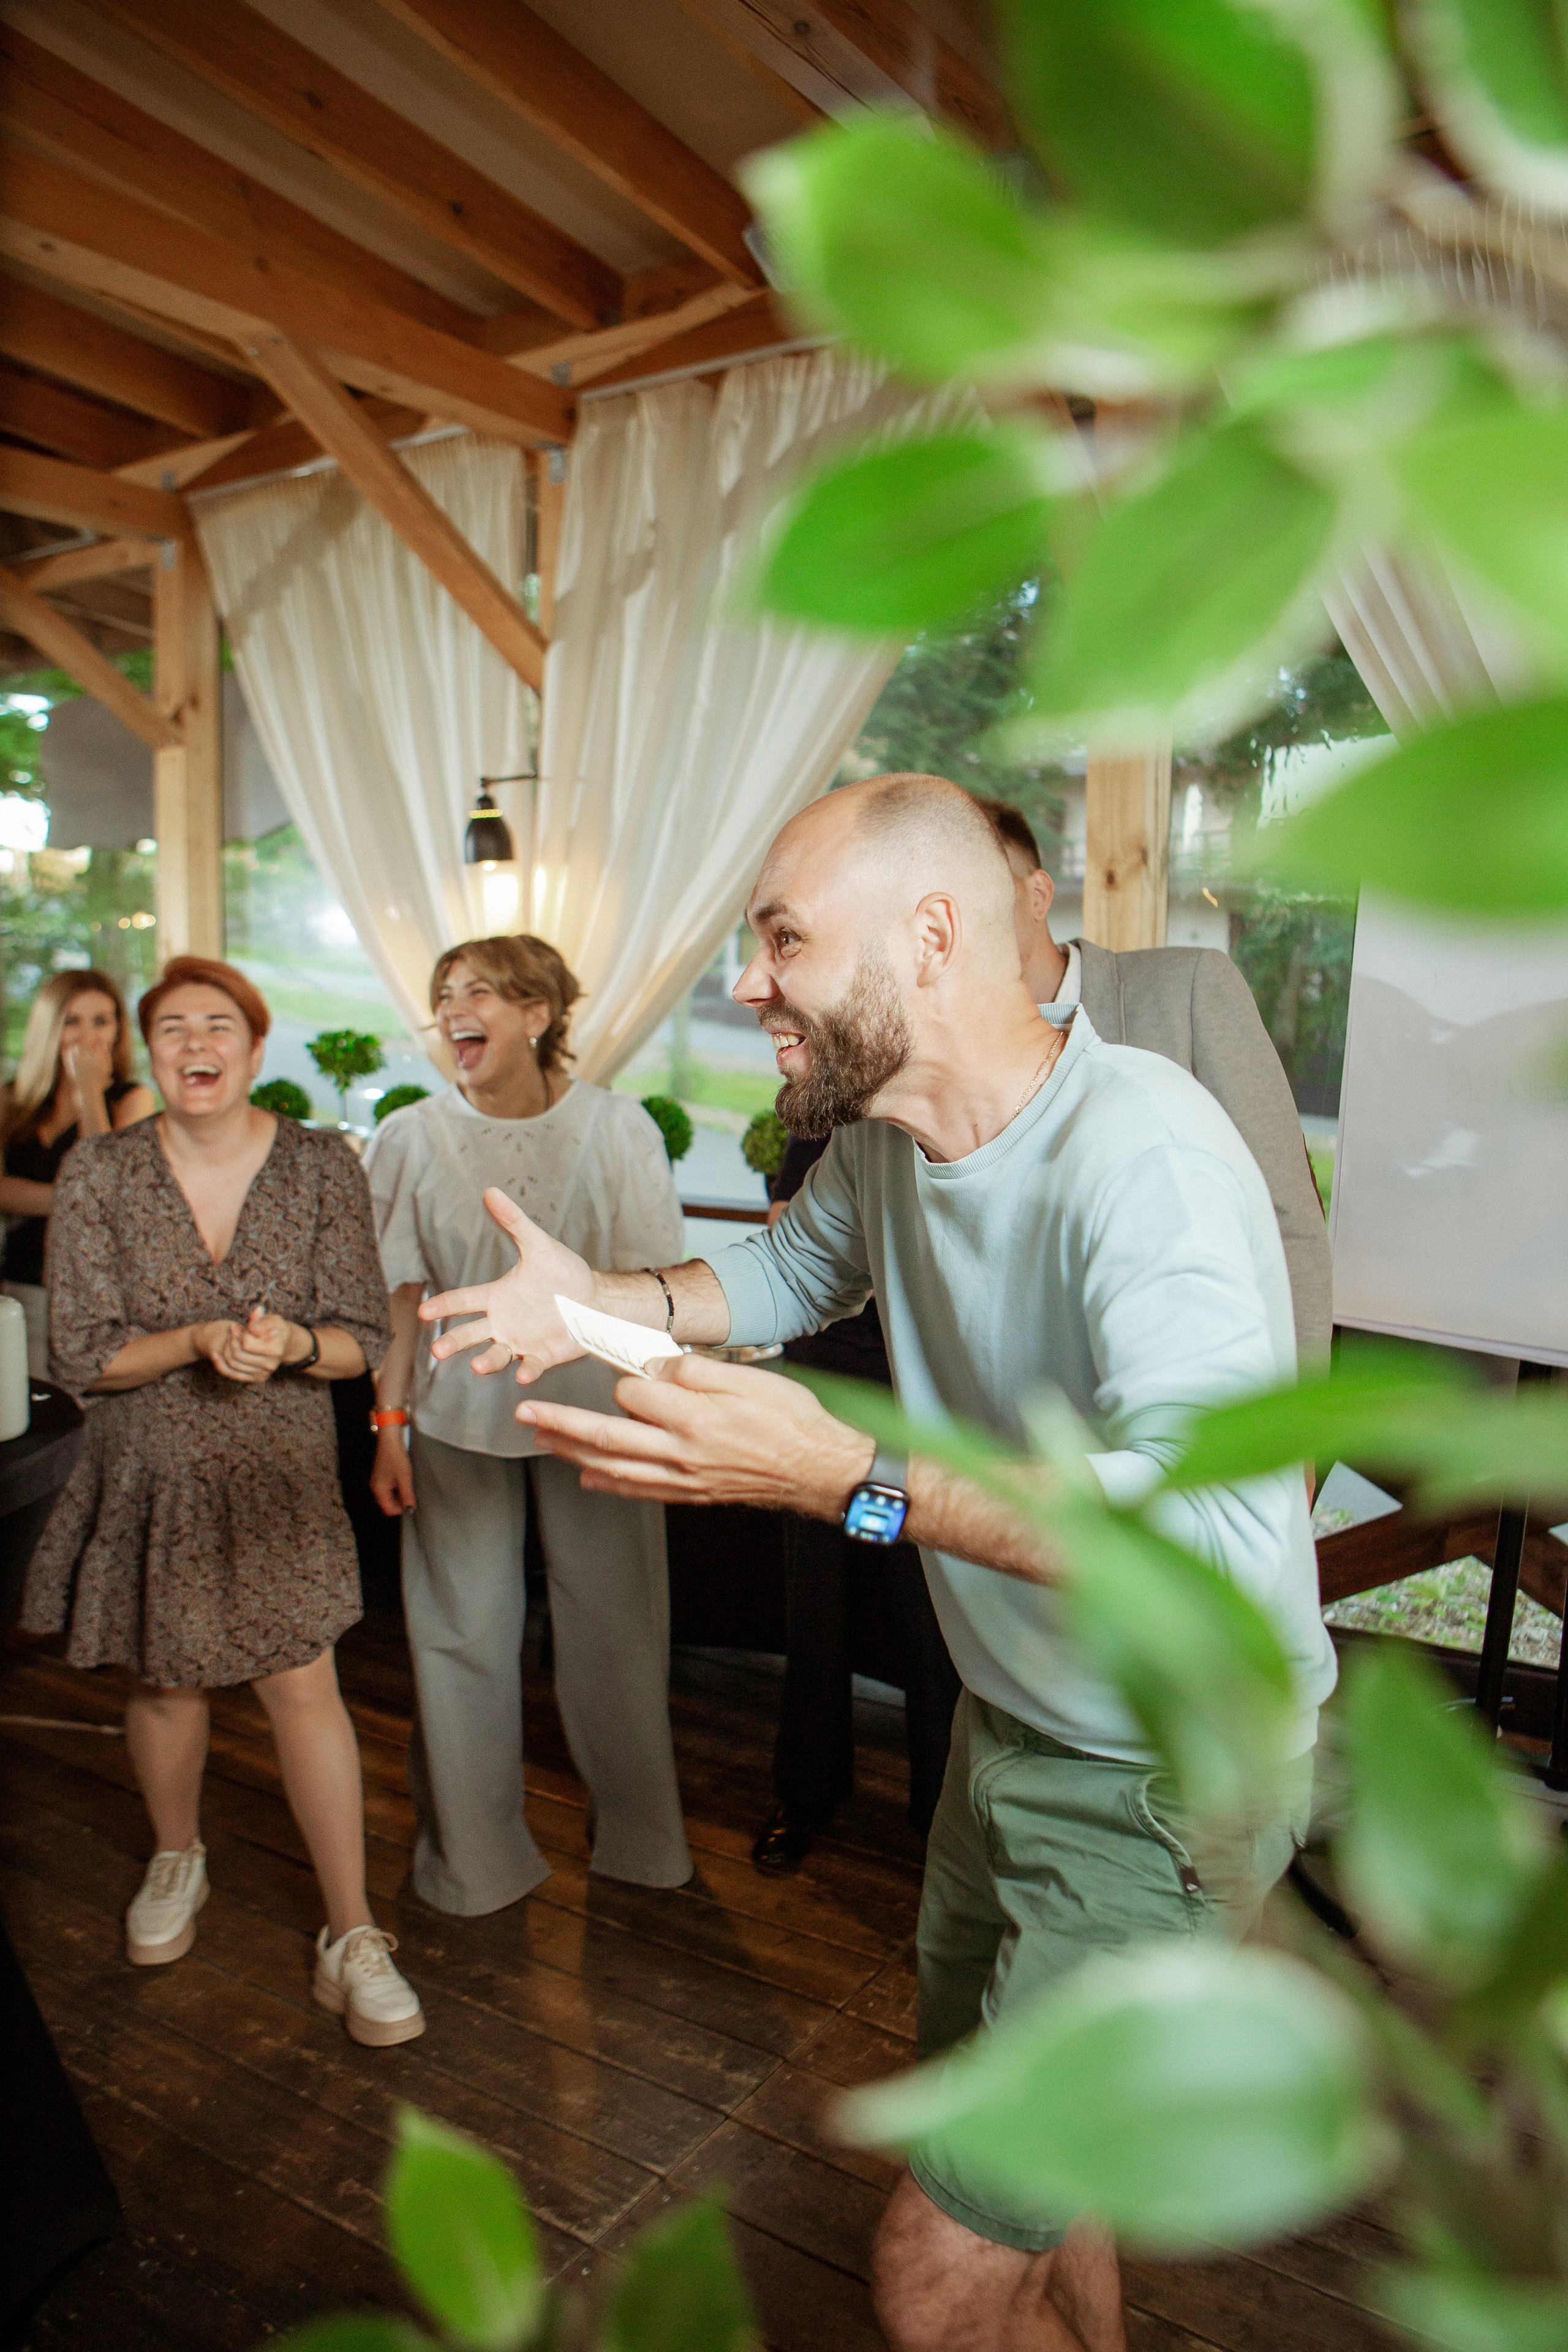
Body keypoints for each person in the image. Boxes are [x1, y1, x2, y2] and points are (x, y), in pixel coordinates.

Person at [415, 774, 1338, 2352]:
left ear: (927, 939)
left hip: (1163, 1775)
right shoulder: (888, 1141)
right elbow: (782, 1271)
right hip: (1009, 1731)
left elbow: (1191, 1532)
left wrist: (849, 1479)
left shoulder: (1142, 1150)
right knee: (1044, 2189)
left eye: (782, 939)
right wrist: (592, 1302)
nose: (746, 980)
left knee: (933, 2271)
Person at [20, 956, 423, 2049]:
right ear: (150, 1051)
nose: (196, 1043)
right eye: (173, 1028)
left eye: (218, 1025)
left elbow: (361, 1337)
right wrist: (197, 1340)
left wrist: (292, 1344)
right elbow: (81, 1354)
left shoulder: (323, 1166)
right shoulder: (100, 1172)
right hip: (145, 1470)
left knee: (304, 1687)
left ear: (254, 1047)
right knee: (164, 1681)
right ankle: (176, 1855)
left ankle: (353, 1934)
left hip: (279, 1478)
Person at [363, 935, 691, 1916]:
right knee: (459, 1634)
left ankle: (644, 1843)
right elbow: (398, 1297)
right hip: (453, 1418)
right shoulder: (407, 1136)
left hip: (600, 1415)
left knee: (620, 1631)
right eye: (444, 995)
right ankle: (474, 1863)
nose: (453, 1010)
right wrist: (388, 1424)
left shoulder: (621, 1127)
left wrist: (671, 1416)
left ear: (537, 1014)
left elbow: (661, 1290)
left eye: (478, 992)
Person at [989, 801, 1333, 1369]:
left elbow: (1287, 1220)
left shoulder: (1189, 989)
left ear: (1038, 894)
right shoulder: (948, 1048)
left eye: (984, 887)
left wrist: (1294, 1412)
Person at [752, 1132, 960, 1874]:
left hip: (921, 1415)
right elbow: (788, 1244)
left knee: (931, 1624)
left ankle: (942, 1819)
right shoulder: (821, 1126)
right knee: (815, 1612)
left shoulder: (940, 1134)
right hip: (821, 1397)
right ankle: (803, 1794)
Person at [1, 971, 154, 1377]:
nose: (88, 1036)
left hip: (94, 1291)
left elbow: (104, 1187)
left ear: (118, 1030)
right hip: (19, 1285)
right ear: (49, 1027)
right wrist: (74, 1200)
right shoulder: (13, 1098)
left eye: (101, 1021)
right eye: (72, 1021)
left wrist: (89, 1091)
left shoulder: (132, 1100)